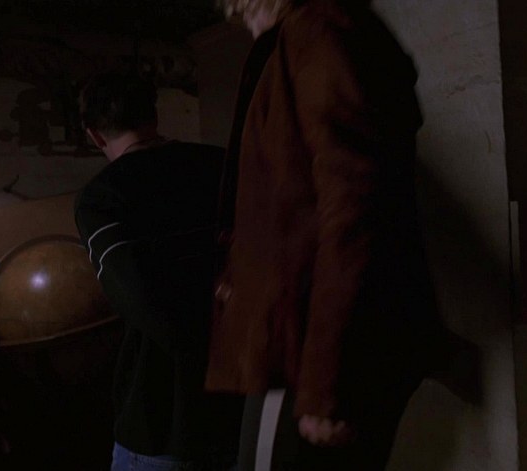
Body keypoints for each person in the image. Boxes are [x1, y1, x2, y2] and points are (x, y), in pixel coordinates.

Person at [205, 0, 444, 469]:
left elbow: (356, 201)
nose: (249, 29)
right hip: (319, 338)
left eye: (246, 14)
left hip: (308, 344)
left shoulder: (316, 32)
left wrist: (325, 378)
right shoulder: (323, 32)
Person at [74, 71, 244, 471]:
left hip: (164, 418)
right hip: (242, 404)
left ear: (95, 135)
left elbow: (141, 302)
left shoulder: (102, 197)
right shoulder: (223, 165)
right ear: (153, 115)